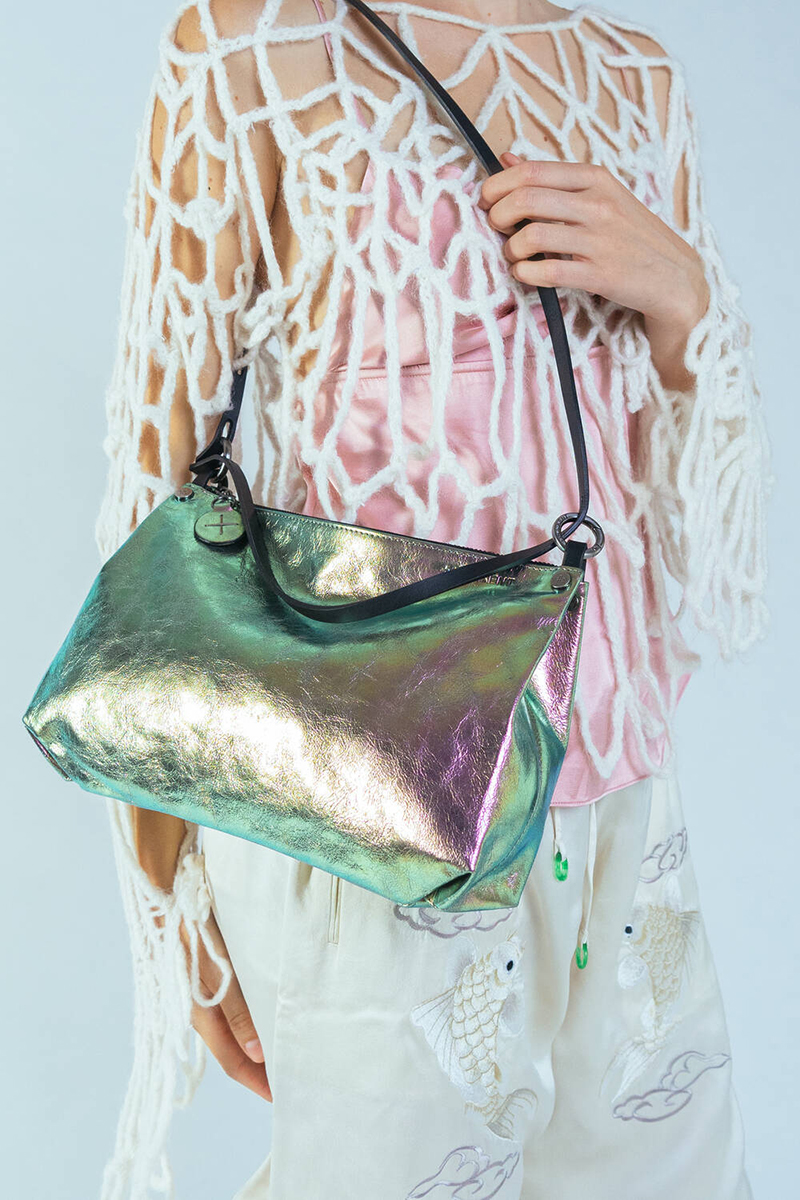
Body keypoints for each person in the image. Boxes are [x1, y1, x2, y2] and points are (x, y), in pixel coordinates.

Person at [93, 1, 771, 1196]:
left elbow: (703, 550)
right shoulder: (255, 42)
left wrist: (684, 300)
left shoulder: (632, 75)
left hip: (620, 809)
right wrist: (169, 900)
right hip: (371, 805)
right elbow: (157, 484)